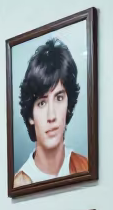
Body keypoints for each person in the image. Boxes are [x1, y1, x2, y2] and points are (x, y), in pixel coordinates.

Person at [14, 38, 88, 187]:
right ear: (30, 116)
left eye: (59, 98)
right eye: (42, 103)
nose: (51, 116)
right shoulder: (18, 184)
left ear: (68, 105)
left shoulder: (86, 167)